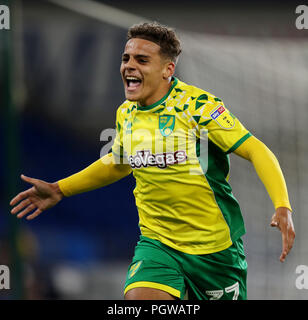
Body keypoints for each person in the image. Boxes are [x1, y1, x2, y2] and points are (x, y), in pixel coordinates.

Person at [10, 22, 295, 300]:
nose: (129, 66)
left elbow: (258, 150)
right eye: (126, 58)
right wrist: (61, 188)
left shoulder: (199, 107)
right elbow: (119, 162)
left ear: (167, 69)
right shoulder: (127, 113)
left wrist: (282, 205)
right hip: (158, 245)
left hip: (215, 252)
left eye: (142, 60)